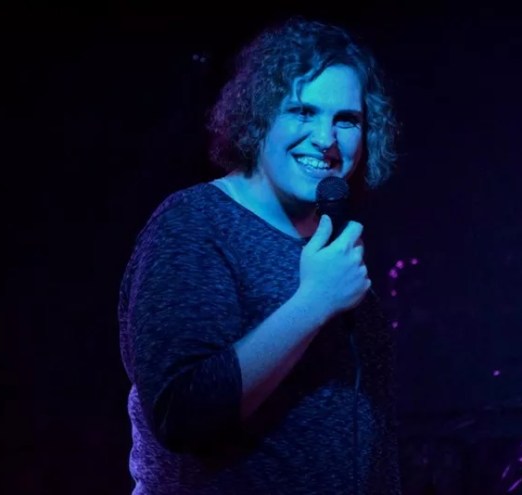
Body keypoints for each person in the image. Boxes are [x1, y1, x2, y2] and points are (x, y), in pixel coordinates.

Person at [118, 16, 401, 494]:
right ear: (260, 114)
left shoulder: (331, 250)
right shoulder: (196, 223)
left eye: (346, 119)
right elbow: (181, 414)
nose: (326, 139)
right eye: (303, 112)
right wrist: (313, 303)